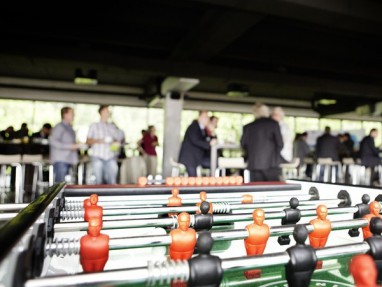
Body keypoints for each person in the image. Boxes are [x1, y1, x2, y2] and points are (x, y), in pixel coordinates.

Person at [241, 103, 283, 182]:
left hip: (254, 164)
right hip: (271, 164)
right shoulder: (273, 124)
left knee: (257, 190)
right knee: (273, 190)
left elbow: (243, 144)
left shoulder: (248, 127)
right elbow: (280, 144)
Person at [86, 105, 124, 185]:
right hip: (97, 157)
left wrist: (116, 143)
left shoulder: (112, 127)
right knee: (99, 181)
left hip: (110, 157)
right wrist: (99, 140)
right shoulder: (94, 125)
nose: (109, 113)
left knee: (112, 182)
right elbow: (88, 141)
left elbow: (117, 139)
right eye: (107, 111)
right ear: (101, 112)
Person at [178, 111, 216, 177]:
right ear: (199, 117)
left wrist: (212, 132)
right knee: (193, 179)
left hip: (197, 158)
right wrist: (209, 144)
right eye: (205, 117)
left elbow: (211, 140)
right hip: (190, 158)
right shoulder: (193, 127)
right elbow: (196, 140)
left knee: (213, 163)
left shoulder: (202, 129)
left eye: (207, 118)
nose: (207, 119)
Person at [50, 107, 79, 182]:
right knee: (59, 184)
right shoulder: (59, 127)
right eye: (72, 113)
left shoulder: (70, 127)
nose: (74, 115)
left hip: (68, 159)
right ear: (65, 114)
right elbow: (53, 141)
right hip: (60, 159)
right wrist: (70, 146)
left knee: (64, 183)